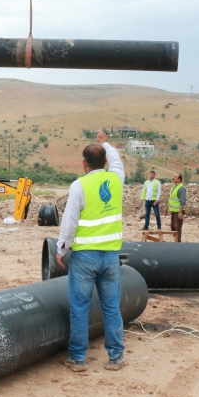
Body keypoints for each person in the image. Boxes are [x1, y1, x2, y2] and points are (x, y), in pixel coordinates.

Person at [56, 128, 126, 372]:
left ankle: (77, 359)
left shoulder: (79, 186)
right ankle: (116, 357)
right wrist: (106, 143)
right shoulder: (116, 179)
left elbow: (69, 223)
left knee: (80, 308)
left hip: (85, 258)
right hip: (111, 257)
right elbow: (117, 161)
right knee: (111, 308)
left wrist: (61, 249)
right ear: (105, 162)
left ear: (84, 164)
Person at [168, 173, 186, 242]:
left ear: (179, 179)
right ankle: (176, 240)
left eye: (175, 177)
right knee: (172, 227)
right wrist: (167, 208)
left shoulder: (181, 188)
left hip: (178, 211)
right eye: (173, 176)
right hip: (173, 210)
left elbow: (182, 201)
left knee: (177, 227)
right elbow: (171, 198)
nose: (173, 178)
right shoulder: (173, 187)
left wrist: (180, 213)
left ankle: (178, 242)